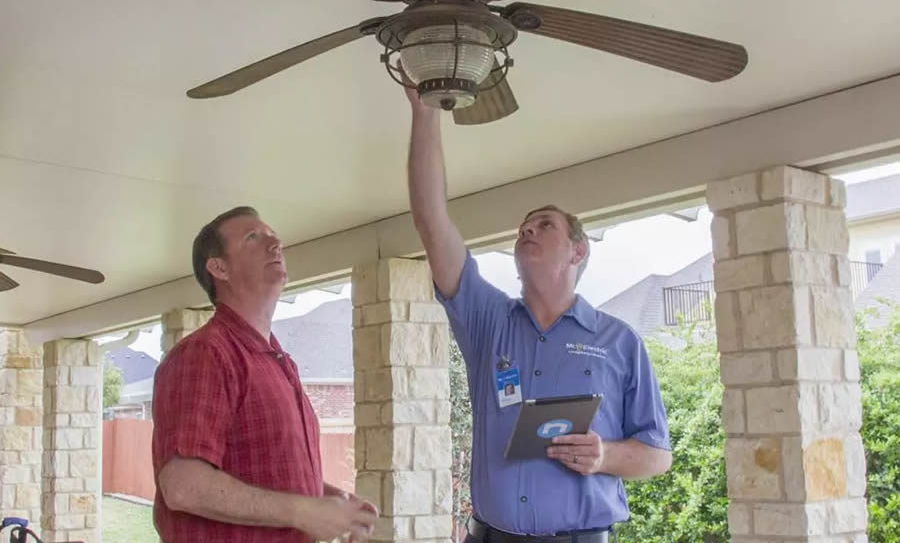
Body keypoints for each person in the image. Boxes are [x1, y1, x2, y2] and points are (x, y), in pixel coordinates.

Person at [404, 88, 672, 541]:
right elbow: (432, 219)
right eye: (524, 227)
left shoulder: (620, 342)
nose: (527, 229)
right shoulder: (487, 320)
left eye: (544, 224)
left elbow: (657, 454)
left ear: (577, 251)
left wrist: (603, 456)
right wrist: (425, 112)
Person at [151, 206, 378, 543]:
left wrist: (328, 500)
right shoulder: (204, 354)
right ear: (219, 267)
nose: (275, 244)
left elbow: (269, 475)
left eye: (274, 237)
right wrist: (301, 510)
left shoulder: (277, 361)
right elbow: (184, 486)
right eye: (253, 238)